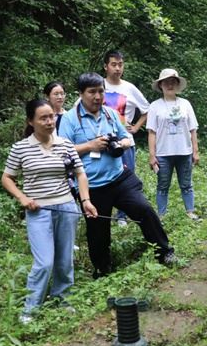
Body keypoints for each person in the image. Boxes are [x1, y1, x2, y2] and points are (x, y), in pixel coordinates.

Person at [59, 72, 175, 278]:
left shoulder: (110, 114)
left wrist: (122, 143)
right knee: (97, 231)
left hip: (118, 178)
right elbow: (62, 152)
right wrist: (90, 146)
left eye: (101, 91)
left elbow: (127, 136)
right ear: (81, 94)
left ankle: (165, 252)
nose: (97, 96)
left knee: (144, 210)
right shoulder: (69, 119)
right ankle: (102, 269)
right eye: (92, 92)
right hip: (91, 186)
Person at [2, 99, 98, 323]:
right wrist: (22, 198)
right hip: (38, 210)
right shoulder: (21, 148)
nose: (49, 121)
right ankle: (30, 309)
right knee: (44, 262)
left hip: (66, 207)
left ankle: (62, 299)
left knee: (65, 260)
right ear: (30, 121)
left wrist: (85, 201)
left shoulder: (65, 144)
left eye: (51, 116)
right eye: (43, 118)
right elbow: (7, 178)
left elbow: (80, 173)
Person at [103, 50, 150, 226]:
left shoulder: (129, 88)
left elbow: (147, 109)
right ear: (105, 66)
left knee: (126, 175)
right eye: (113, 64)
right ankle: (104, 211)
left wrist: (136, 127)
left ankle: (122, 215)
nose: (117, 68)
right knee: (104, 175)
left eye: (120, 64)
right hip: (102, 141)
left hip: (125, 140)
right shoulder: (99, 85)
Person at [148, 69, 200, 220]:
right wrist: (152, 155)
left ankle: (190, 211)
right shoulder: (155, 106)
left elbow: (192, 129)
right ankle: (162, 214)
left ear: (177, 85)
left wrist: (195, 151)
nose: (170, 85)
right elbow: (152, 132)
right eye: (166, 82)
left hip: (184, 151)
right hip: (163, 153)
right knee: (163, 185)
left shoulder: (185, 104)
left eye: (173, 82)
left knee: (186, 184)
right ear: (160, 85)